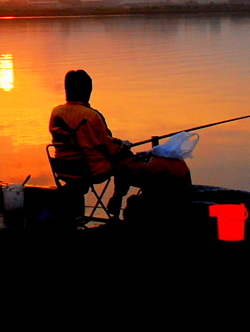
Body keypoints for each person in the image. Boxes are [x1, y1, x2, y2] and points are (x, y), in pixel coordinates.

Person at [49, 70, 190, 220]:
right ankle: (117, 199)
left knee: (121, 158)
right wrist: (124, 146)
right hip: (90, 171)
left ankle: (110, 204)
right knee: (124, 160)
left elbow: (89, 141)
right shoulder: (92, 116)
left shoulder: (56, 113)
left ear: (67, 90)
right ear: (87, 91)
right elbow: (111, 149)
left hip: (63, 168)